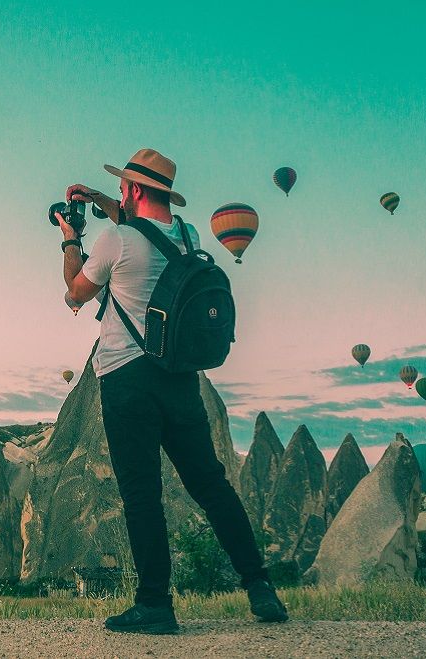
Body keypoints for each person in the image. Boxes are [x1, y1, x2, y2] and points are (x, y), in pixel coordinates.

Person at [56, 149, 288, 634]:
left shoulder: (113, 241)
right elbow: (144, 228)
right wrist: (99, 197)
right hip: (181, 379)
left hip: (126, 379)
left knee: (142, 493)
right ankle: (260, 586)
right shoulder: (188, 237)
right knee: (211, 483)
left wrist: (71, 239)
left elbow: (76, 293)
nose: (119, 194)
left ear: (135, 190)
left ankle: (155, 604)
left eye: (123, 188)